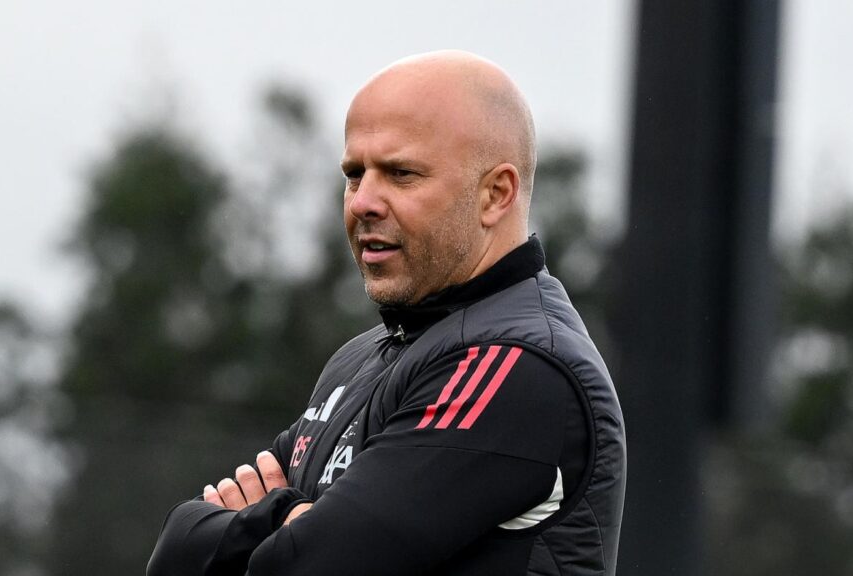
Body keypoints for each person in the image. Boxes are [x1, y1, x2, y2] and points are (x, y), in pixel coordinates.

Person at [147, 50, 626, 576]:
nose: (362, 203)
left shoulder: (518, 364)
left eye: (401, 174)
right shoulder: (358, 360)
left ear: (495, 194)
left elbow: (309, 566)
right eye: (355, 174)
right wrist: (289, 520)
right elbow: (176, 549)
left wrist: (269, 525)